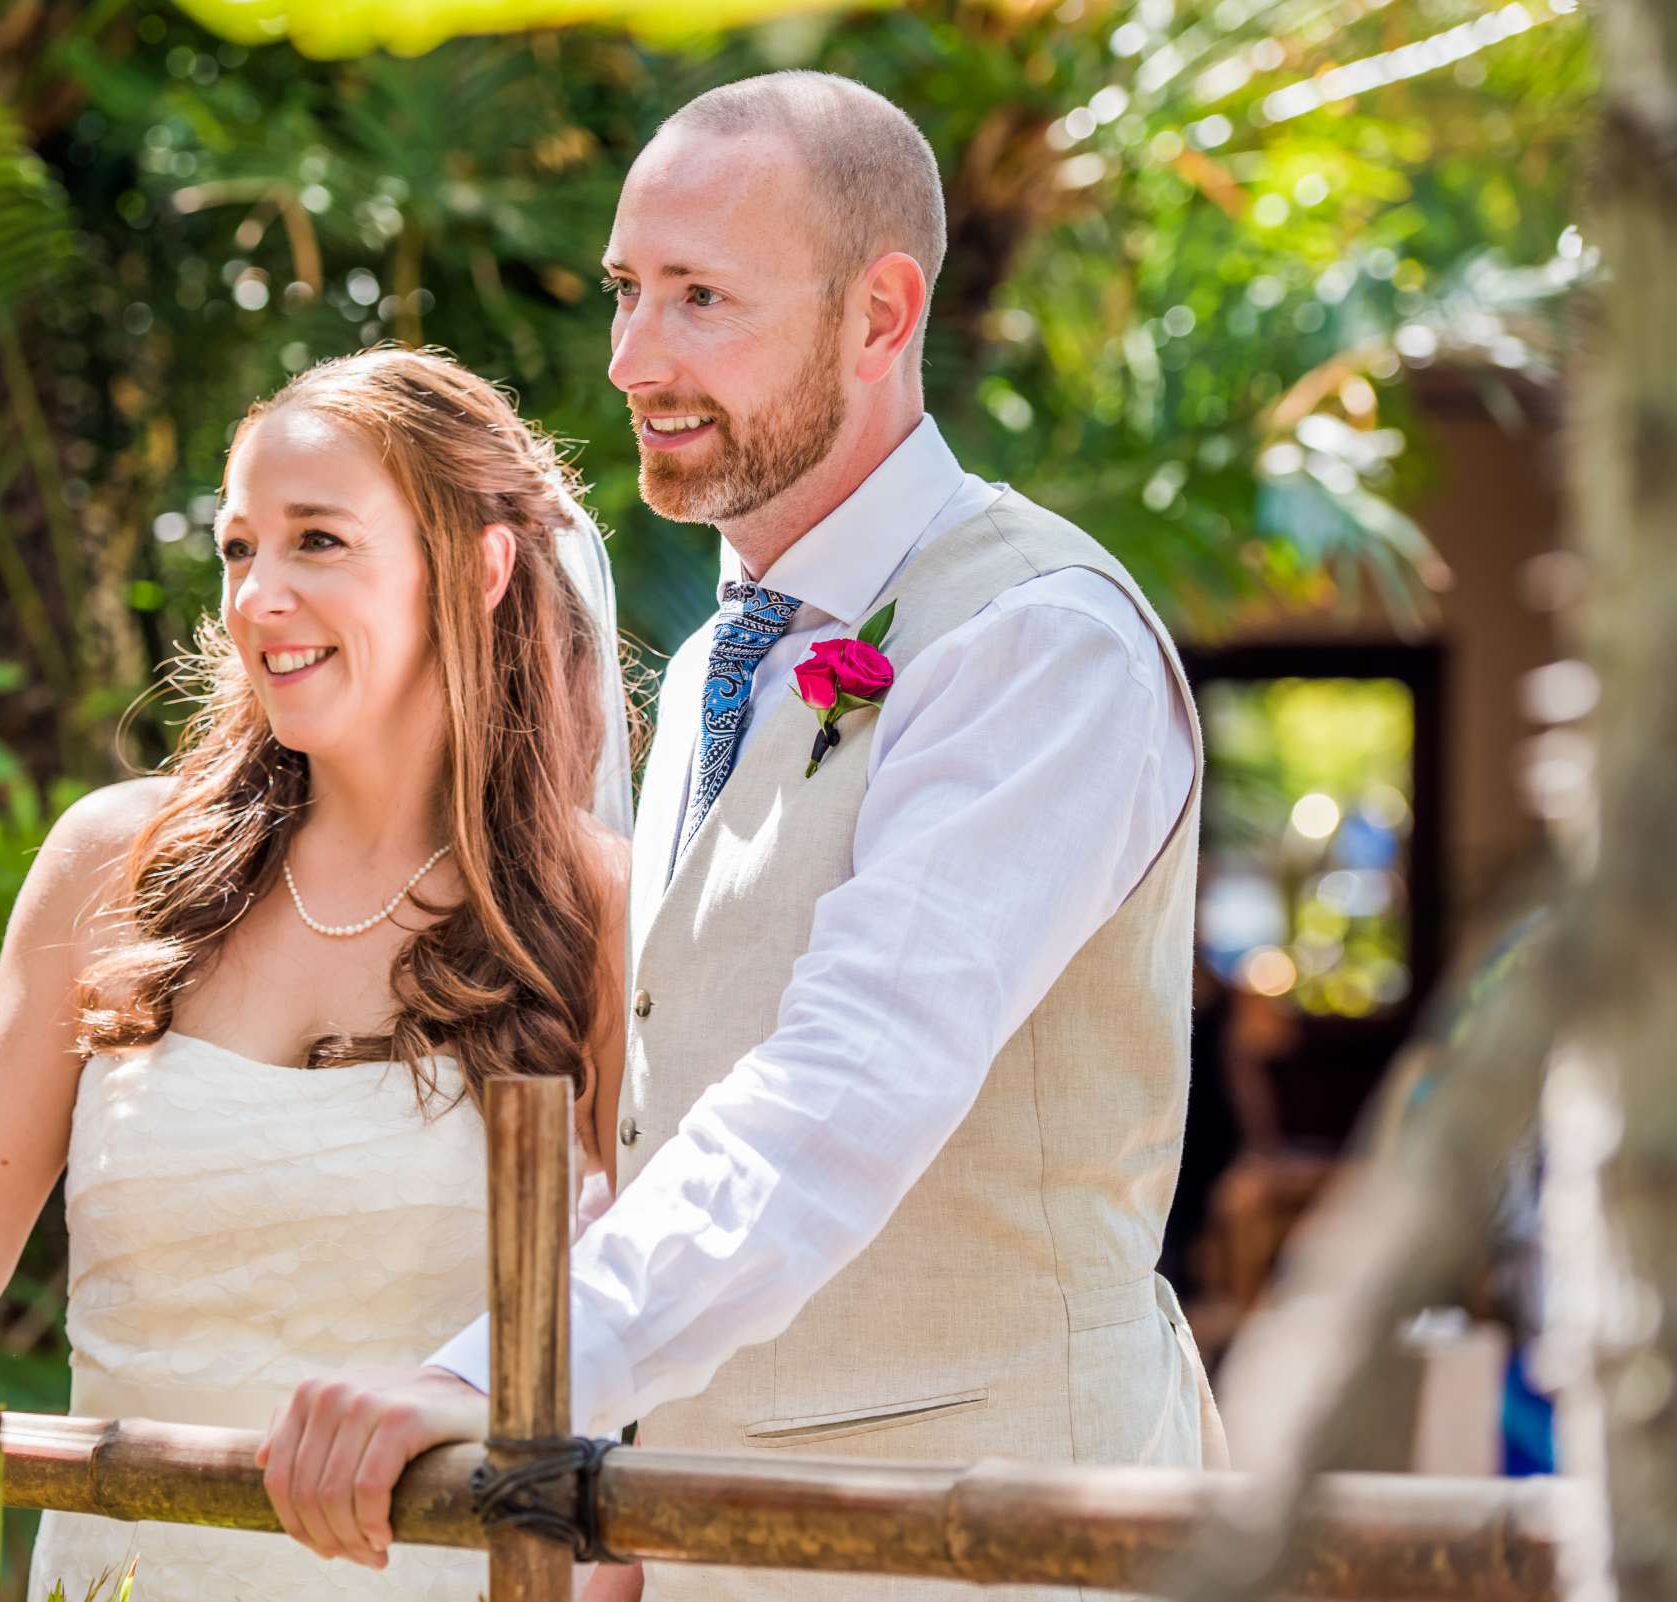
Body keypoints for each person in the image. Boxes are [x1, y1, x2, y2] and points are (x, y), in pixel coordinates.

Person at [262, 71, 1229, 1601]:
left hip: (999, 1548)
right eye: (627, 292)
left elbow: (848, 1085)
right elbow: (681, 1095)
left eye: (702, 297)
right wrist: (627, 1498)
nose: (634, 358)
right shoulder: (725, 657)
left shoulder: (1040, 646)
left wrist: (517, 1373)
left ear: (877, 315)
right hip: (717, 1544)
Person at [0, 347, 637, 1601]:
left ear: (483, 567)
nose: (258, 598)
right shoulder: (112, 861)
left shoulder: (596, 913)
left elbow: (653, 1322)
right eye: (238, 549)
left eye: (318, 542)